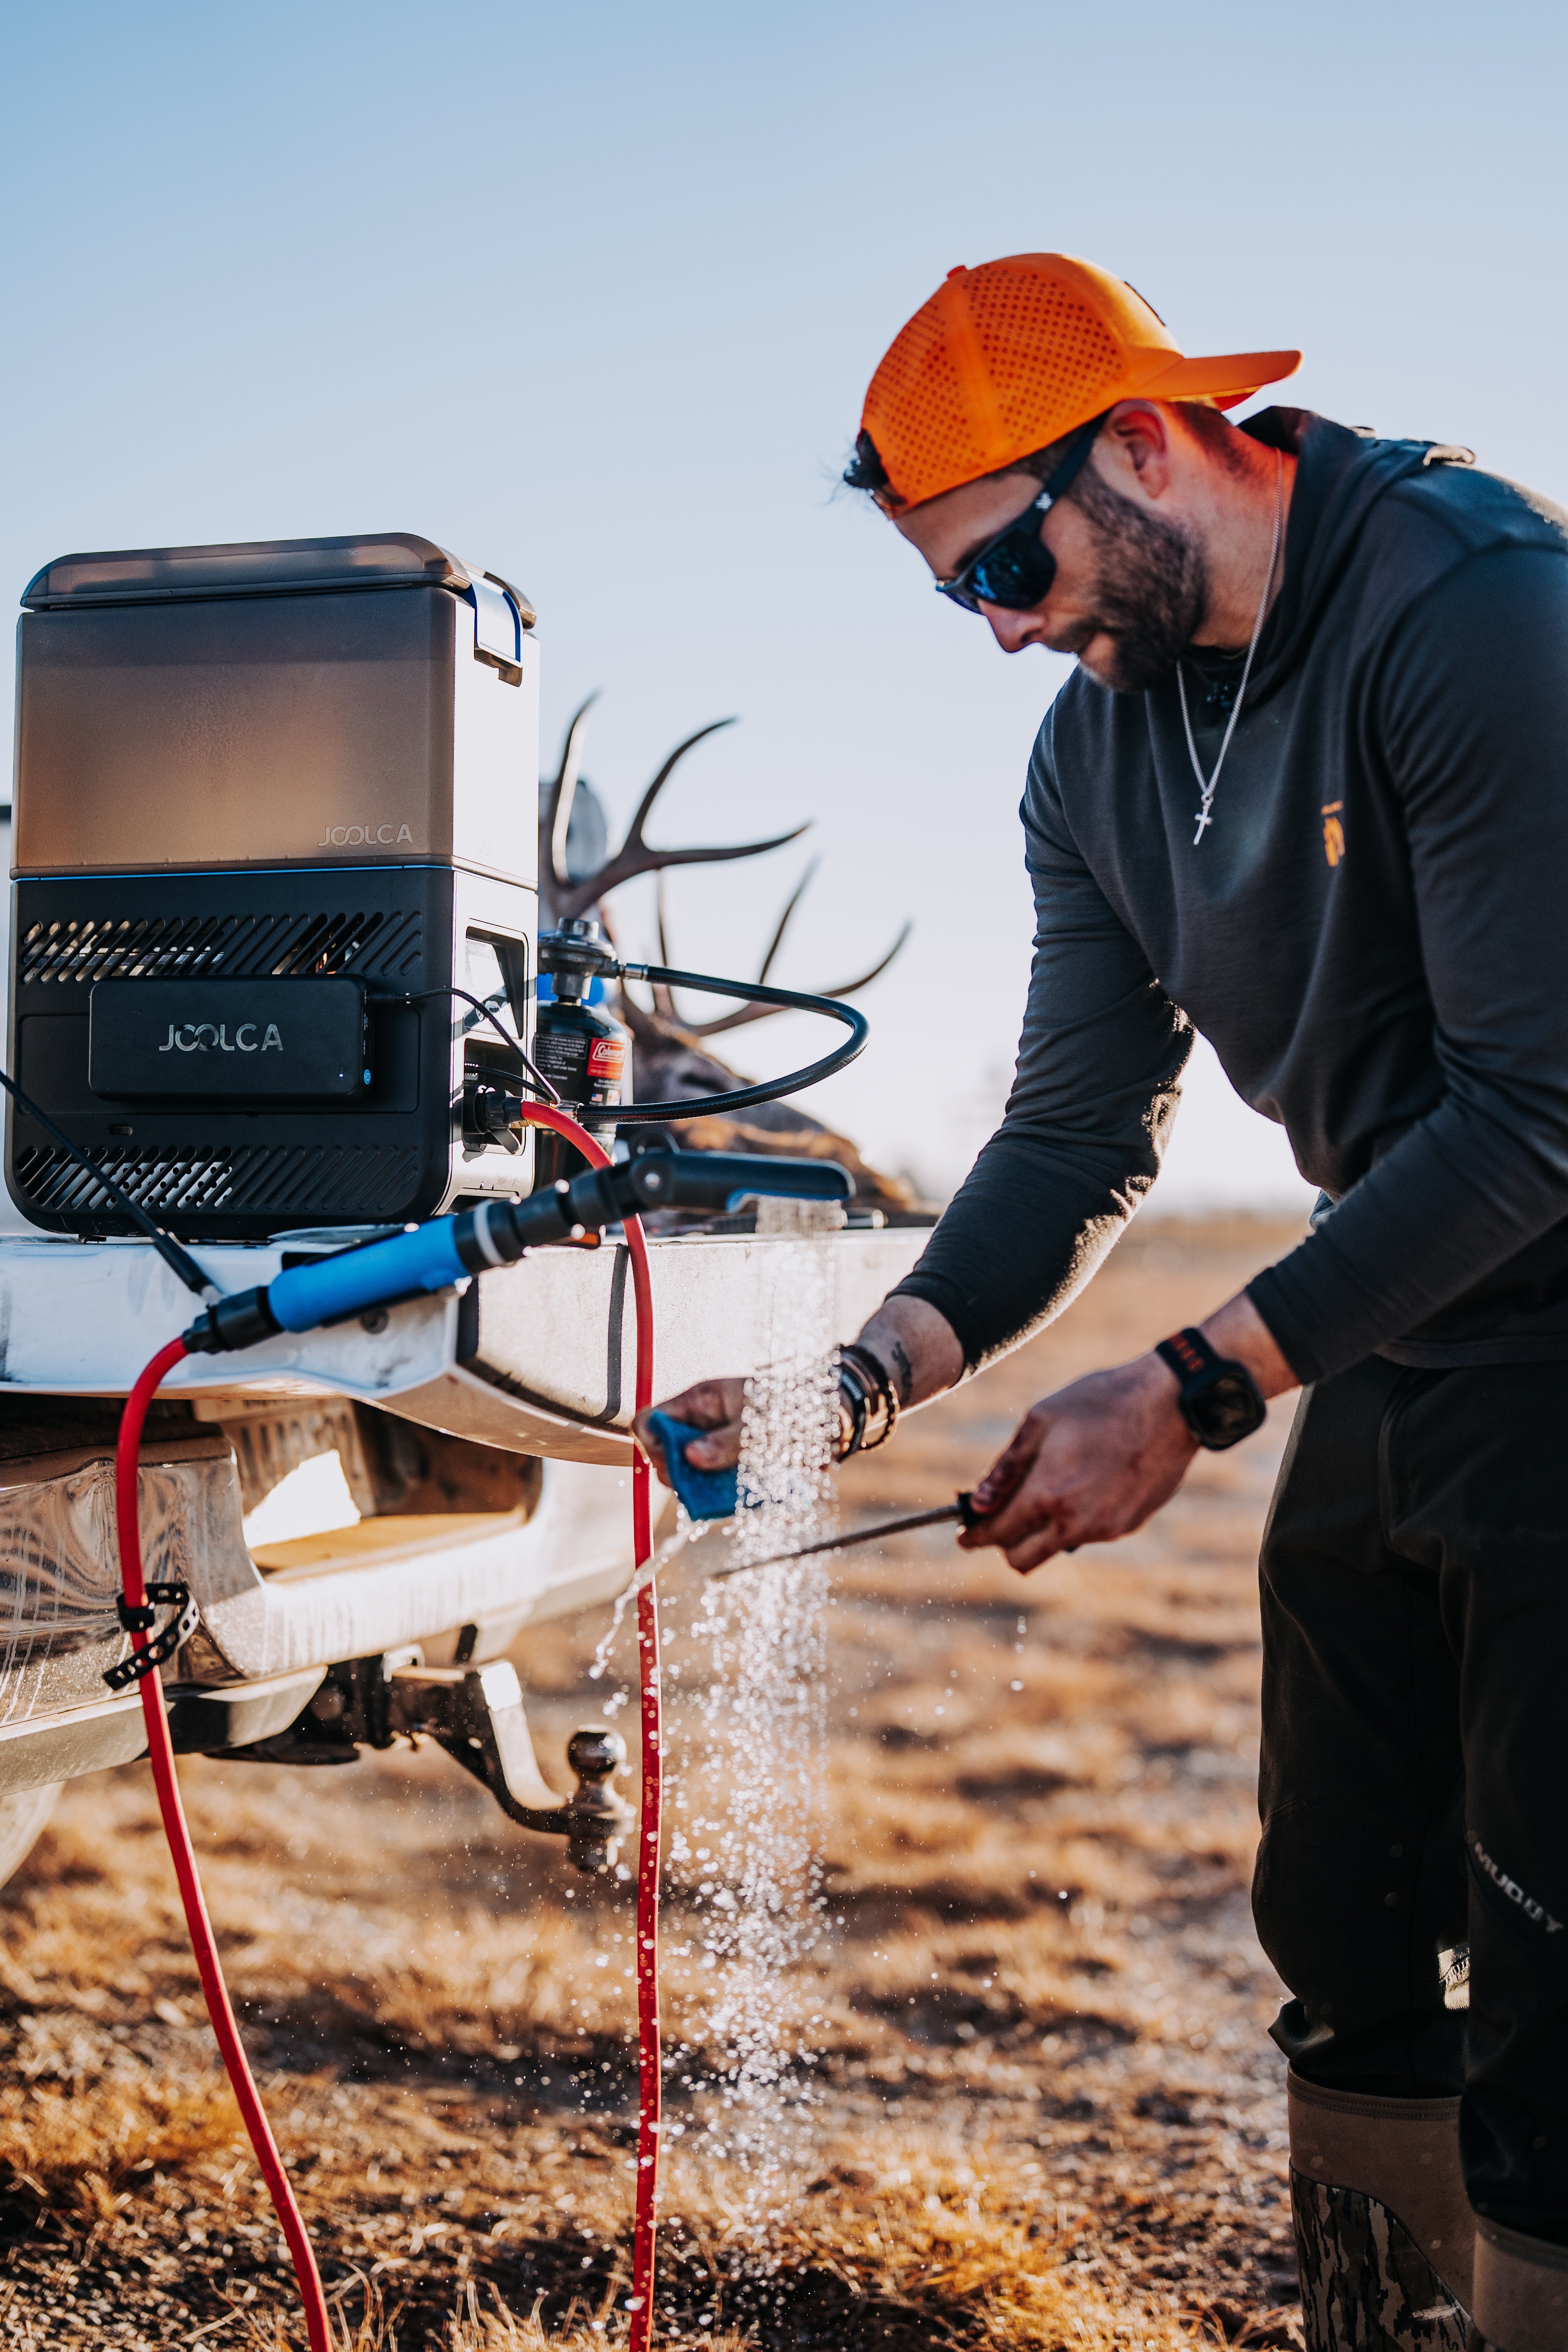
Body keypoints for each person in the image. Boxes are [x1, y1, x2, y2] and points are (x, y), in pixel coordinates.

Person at [635, 253, 1568, 2351]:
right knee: (1341, 1912)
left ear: (1140, 442)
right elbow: (1068, 1140)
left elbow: (1534, 1112)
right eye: (960, 595)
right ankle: (1376, 2321)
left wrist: (1191, 1384)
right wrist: (855, 1387)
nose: (1005, 631)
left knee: (1551, 1970)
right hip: (1406, 1321)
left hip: (1551, 1295)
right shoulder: (1093, 762)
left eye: (1007, 565)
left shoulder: (1471, 606)